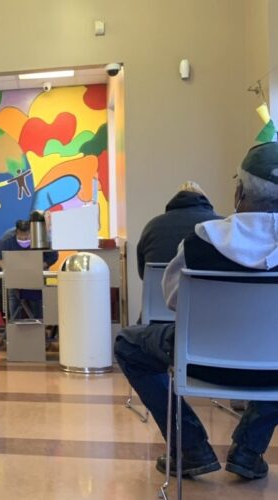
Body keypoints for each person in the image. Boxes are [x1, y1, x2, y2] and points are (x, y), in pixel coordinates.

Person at [115, 142, 278, 481]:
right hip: (273, 372)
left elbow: (176, 301)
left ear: (239, 192)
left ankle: (190, 448)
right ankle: (249, 451)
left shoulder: (201, 241)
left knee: (129, 343)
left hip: (202, 363)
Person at [136, 181, 220, 280]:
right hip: (210, 290)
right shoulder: (222, 227)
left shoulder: (151, 227)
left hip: (159, 290)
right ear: (206, 201)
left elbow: (144, 275)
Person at [0, 217, 58, 319]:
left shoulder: (42, 237)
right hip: (15, 277)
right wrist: (10, 270)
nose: (24, 240)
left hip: (36, 276)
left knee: (37, 301)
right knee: (14, 299)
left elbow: (53, 256)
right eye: (21, 238)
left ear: (31, 232)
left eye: (27, 237)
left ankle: (38, 323)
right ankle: (15, 324)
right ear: (16, 232)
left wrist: (37, 267)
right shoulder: (6, 239)